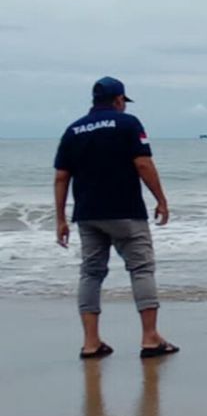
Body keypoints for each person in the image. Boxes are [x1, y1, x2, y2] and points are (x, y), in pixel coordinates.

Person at [54, 77, 179, 359]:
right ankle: (150, 337)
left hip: (87, 215)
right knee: (141, 269)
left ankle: (91, 342)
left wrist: (60, 218)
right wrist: (161, 200)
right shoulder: (128, 123)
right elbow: (143, 163)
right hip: (125, 211)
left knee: (91, 273)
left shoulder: (73, 130)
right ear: (119, 100)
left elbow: (61, 176)